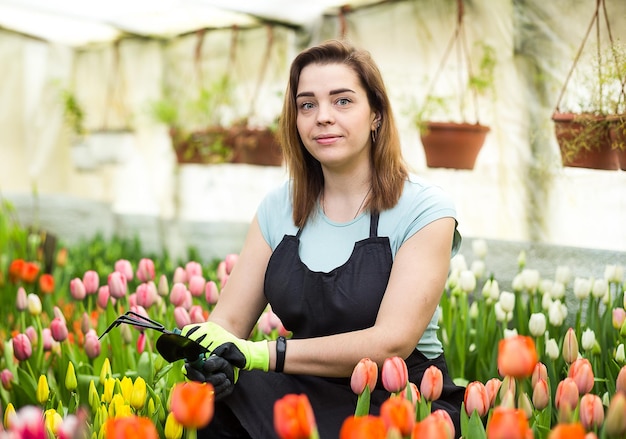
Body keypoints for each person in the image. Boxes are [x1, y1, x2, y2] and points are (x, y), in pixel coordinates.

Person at [181, 39, 465, 438]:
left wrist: (263, 354)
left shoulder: (424, 208)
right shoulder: (279, 207)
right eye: (307, 104)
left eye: (343, 101)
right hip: (303, 385)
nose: (323, 117)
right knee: (212, 404)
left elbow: (391, 344)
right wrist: (209, 355)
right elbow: (229, 320)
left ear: (376, 116)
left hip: (399, 394)